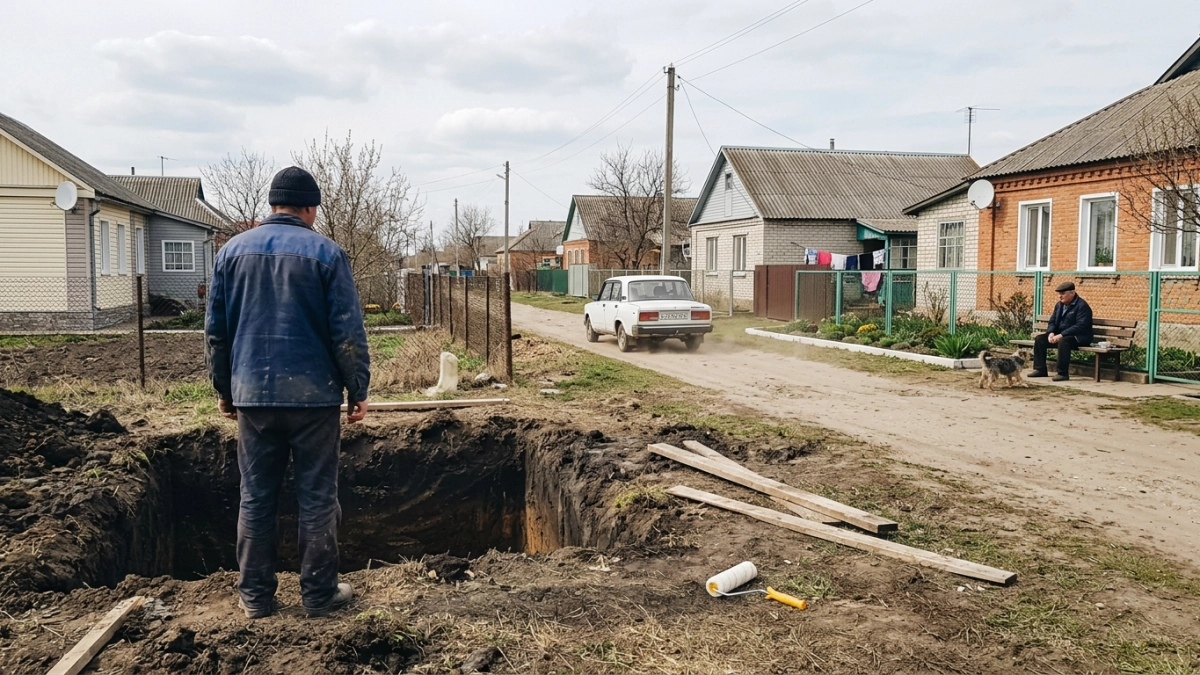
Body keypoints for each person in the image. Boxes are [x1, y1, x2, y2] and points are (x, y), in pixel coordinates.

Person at [206, 166, 371, 619]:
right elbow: (347, 333)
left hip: (252, 396)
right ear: (310, 209)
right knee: (317, 497)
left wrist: (224, 388)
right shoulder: (327, 254)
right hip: (314, 399)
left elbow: (216, 333)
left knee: (256, 496)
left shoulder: (230, 253)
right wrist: (358, 387)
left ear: (273, 205)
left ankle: (256, 598)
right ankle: (319, 595)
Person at [1030, 281, 1093, 382]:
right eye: (1059, 294)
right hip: (1061, 335)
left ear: (1072, 293)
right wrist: (1051, 333)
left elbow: (1081, 326)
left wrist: (1061, 335)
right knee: (1040, 339)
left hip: (1080, 337)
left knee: (1064, 342)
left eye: (1063, 293)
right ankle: (1040, 369)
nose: (1060, 296)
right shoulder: (1059, 305)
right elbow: (1052, 321)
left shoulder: (1082, 306)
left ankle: (1062, 373)